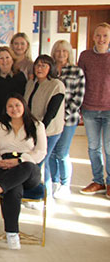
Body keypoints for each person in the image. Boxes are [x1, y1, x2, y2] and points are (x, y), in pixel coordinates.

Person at [0, 94, 47, 250]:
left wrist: (20, 161)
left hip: (29, 168)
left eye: (17, 105)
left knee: (26, 167)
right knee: (13, 189)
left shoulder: (37, 125)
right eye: (10, 106)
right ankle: (12, 233)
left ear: (24, 106)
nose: (14, 109)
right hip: (5, 165)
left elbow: (41, 152)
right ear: (6, 109)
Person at [24, 55, 65, 198]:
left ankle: (42, 195)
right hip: (32, 129)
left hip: (49, 130)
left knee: (41, 162)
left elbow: (51, 112)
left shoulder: (56, 85)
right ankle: (40, 194)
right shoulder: (30, 83)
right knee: (38, 162)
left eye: (44, 65)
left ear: (50, 68)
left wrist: (39, 131)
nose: (39, 68)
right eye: (37, 65)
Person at [49, 40, 85, 198]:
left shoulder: (76, 71)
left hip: (68, 119)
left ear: (69, 53)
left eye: (64, 51)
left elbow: (78, 98)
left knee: (62, 152)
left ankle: (65, 184)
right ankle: (54, 181)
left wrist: (63, 116)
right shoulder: (49, 70)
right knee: (50, 152)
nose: (61, 54)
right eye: (58, 51)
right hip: (51, 119)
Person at [78, 23, 110, 196]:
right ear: (93, 37)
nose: (101, 39)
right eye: (98, 35)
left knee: (109, 147)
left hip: (109, 109)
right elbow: (79, 81)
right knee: (93, 147)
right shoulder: (85, 56)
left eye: (105, 36)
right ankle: (98, 181)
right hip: (90, 108)